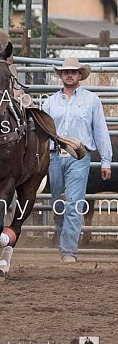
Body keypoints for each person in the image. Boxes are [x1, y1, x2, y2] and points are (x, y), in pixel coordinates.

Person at [42, 57, 112, 264]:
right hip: (55, 156)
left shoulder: (92, 100)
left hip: (79, 157)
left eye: (73, 71)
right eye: (66, 72)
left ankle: (68, 251)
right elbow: (43, 134)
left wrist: (106, 161)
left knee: (72, 204)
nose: (69, 75)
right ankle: (65, 246)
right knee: (58, 203)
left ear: (80, 75)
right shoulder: (49, 102)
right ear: (61, 75)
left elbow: (100, 130)